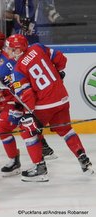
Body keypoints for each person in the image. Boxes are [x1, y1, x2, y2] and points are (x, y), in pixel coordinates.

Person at [7, 34, 94, 182]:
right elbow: (61, 59)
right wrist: (58, 71)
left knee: (27, 131)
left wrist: (29, 114)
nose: (7, 52)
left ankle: (40, 168)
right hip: (62, 98)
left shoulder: (18, 69)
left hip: (45, 105)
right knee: (66, 130)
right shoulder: (38, 48)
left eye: (10, 49)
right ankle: (83, 158)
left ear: (18, 50)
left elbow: (28, 96)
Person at [0, 31, 56, 177]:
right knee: (17, 128)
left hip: (18, 100)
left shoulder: (8, 62)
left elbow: (21, 83)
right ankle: (42, 150)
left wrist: (12, 93)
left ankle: (21, 161)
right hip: (10, 100)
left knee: (6, 127)